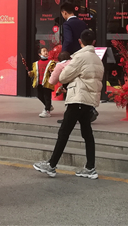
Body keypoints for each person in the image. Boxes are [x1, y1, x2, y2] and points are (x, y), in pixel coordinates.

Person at [33, 29, 104, 179]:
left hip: (77, 98)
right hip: (88, 100)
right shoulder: (97, 59)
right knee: (87, 134)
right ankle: (90, 167)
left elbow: (64, 76)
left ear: (80, 41)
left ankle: (51, 165)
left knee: (64, 132)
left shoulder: (79, 57)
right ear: (94, 42)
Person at [59, 2, 98, 123]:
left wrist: (63, 54)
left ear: (64, 12)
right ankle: (88, 109)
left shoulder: (67, 24)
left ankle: (76, 114)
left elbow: (68, 39)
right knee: (83, 84)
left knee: (71, 85)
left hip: (72, 57)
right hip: (84, 54)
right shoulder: (82, 23)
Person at [28, 47, 56, 118]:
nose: (46, 52)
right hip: (39, 82)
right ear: (40, 54)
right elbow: (34, 72)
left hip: (47, 83)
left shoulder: (51, 62)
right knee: (39, 96)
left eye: (46, 51)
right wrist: (30, 73)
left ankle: (47, 111)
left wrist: (52, 71)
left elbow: (54, 71)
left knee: (47, 97)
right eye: (44, 51)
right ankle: (49, 106)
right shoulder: (36, 63)